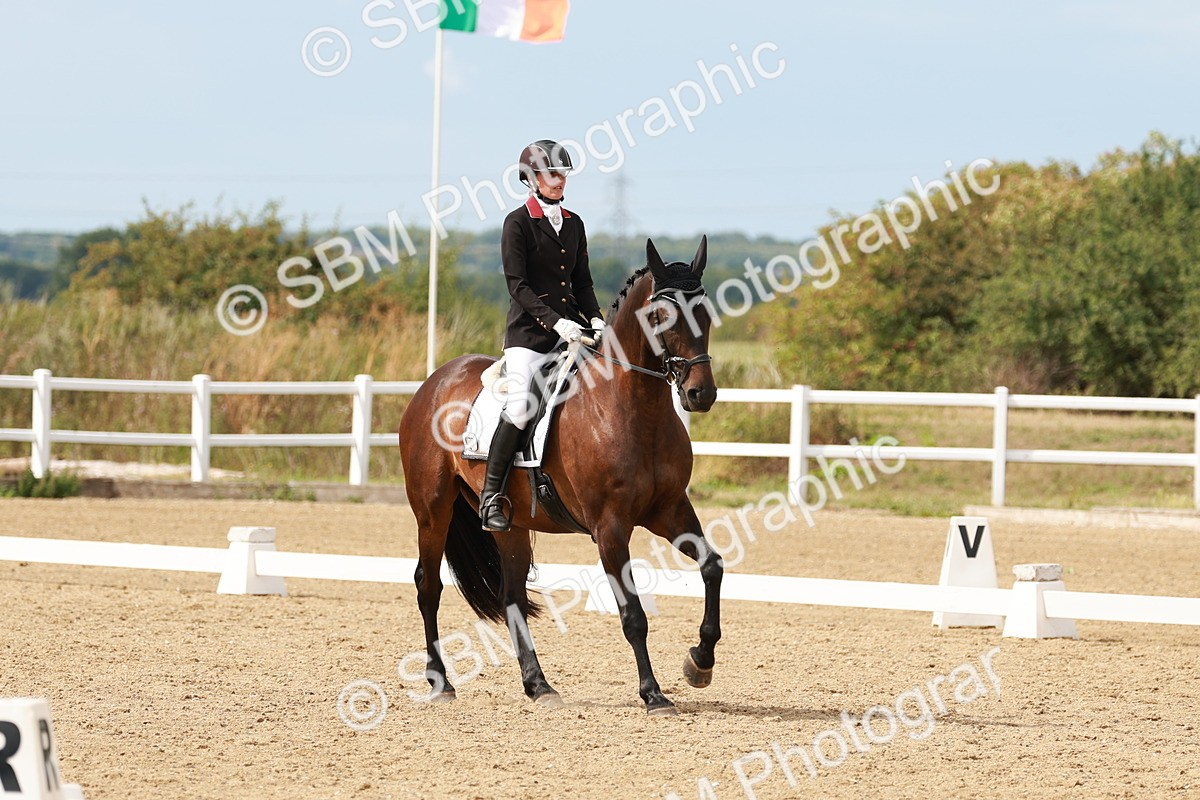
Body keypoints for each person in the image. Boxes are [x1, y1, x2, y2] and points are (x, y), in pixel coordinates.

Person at [479, 139, 605, 532]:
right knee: (519, 408)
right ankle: (491, 496)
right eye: (553, 174)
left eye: (563, 174)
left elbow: (582, 283)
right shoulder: (517, 223)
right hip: (530, 337)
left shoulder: (574, 223)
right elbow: (518, 286)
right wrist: (556, 322)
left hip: (573, 333)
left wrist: (596, 319)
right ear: (532, 178)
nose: (560, 180)